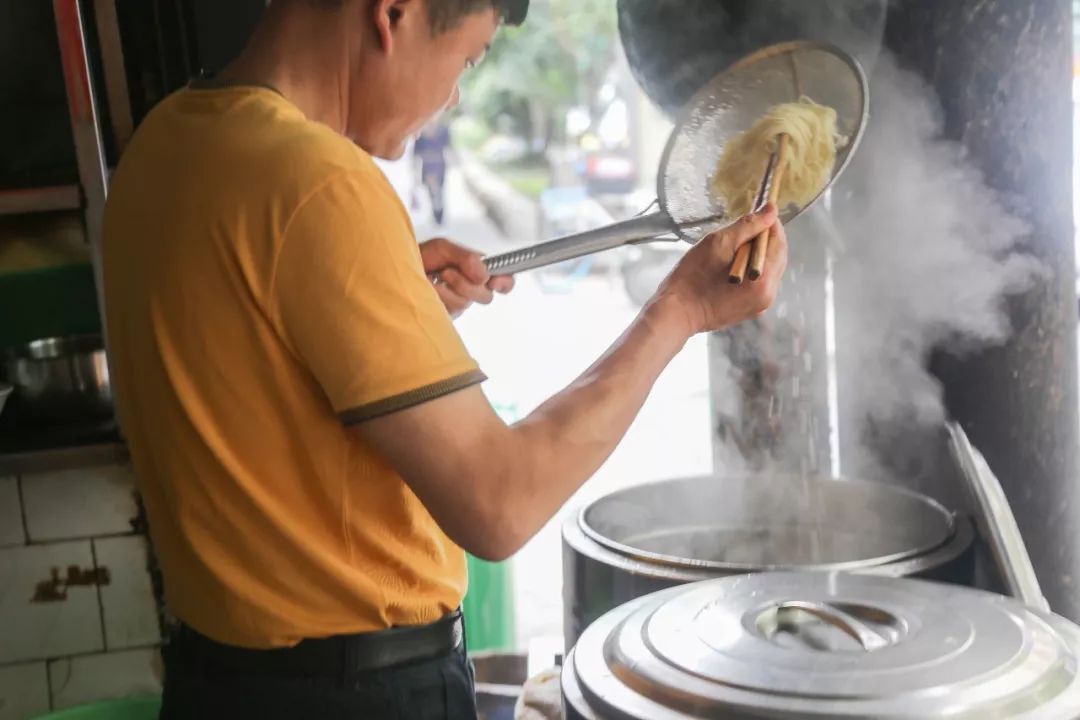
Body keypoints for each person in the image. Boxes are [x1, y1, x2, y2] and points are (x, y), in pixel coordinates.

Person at [100, 0, 788, 718]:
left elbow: (252, 369)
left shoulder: (165, 144)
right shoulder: (319, 184)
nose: (456, 92)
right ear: (393, 13)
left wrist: (383, 302)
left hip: (214, 684)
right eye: (468, 57)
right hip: (353, 697)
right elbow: (500, 504)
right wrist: (681, 313)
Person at [413, 119, 453, 223]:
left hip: (439, 165)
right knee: (432, 190)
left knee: (439, 190)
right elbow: (416, 154)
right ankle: (437, 212)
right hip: (427, 166)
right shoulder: (420, 133)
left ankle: (438, 213)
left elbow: (448, 149)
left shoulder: (443, 131)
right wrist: (415, 172)